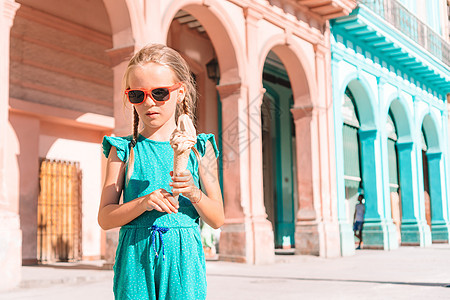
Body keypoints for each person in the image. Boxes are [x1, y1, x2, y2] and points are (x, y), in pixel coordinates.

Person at [97, 44, 225, 299]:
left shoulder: (201, 148)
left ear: (180, 93)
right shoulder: (123, 150)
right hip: (136, 259)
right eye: (137, 95)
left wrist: (192, 191)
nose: (149, 102)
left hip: (184, 260)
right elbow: (105, 218)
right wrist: (143, 203)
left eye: (159, 93)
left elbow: (217, 218)